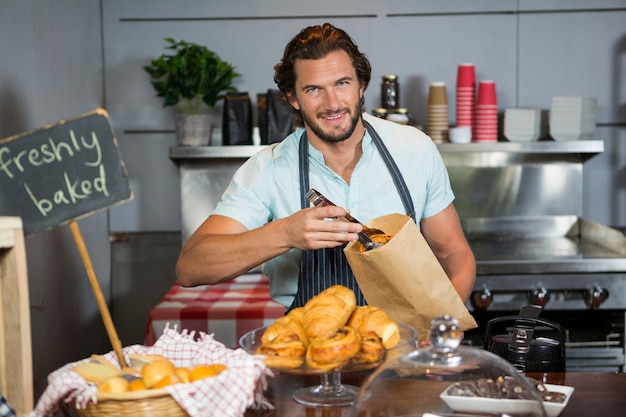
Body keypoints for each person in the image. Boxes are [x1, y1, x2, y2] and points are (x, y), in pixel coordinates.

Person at [176, 23, 476, 312]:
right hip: (312, 349)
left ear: (361, 86)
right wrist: (285, 233)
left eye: (342, 84)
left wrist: (445, 320)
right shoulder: (268, 169)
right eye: (313, 89)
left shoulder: (414, 150)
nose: (332, 103)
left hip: (406, 341)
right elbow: (191, 267)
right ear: (293, 98)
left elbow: (454, 252)